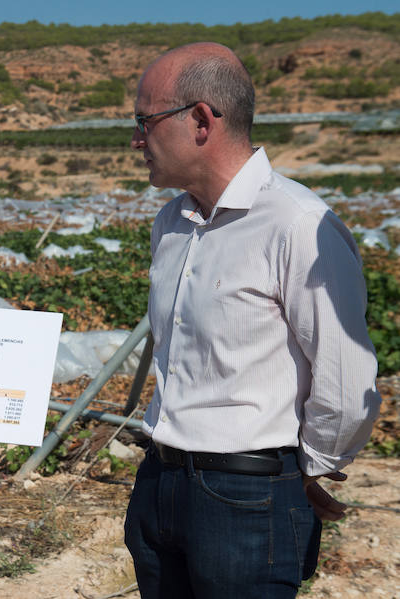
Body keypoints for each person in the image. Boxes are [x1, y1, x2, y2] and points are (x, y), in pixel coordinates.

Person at [123, 42, 382, 598]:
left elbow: (345, 377)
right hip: (159, 483)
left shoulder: (296, 225)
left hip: (246, 497)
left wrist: (306, 470)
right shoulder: (172, 222)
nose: (135, 139)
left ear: (200, 120)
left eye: (145, 121)